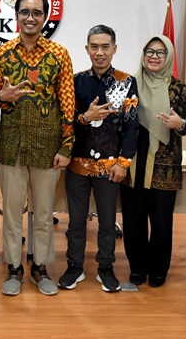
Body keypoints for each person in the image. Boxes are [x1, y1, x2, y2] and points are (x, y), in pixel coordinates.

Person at [0, 0, 75, 296]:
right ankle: (14, 268)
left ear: (45, 17)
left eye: (37, 13)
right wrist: (1, 96)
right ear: (17, 16)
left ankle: (41, 268)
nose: (30, 18)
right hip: (12, 145)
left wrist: (66, 147)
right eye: (25, 12)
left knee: (44, 213)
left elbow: (68, 102)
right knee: (11, 213)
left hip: (48, 146)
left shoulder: (59, 54)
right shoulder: (1, 54)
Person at [58, 25, 138, 293]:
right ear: (87, 49)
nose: (99, 52)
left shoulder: (127, 82)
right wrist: (85, 117)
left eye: (105, 47)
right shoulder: (75, 81)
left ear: (114, 49)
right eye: (94, 47)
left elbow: (131, 127)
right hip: (77, 164)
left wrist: (123, 162)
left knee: (107, 221)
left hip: (110, 166)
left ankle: (106, 267)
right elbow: (65, 121)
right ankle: (74, 266)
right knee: (76, 221)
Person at [120, 35, 186, 288]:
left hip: (164, 166)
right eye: (149, 51)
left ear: (168, 57)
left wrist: (179, 124)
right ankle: (137, 268)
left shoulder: (178, 88)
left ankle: (159, 270)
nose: (154, 56)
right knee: (133, 221)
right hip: (133, 163)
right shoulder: (129, 84)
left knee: (161, 223)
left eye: (161, 52)